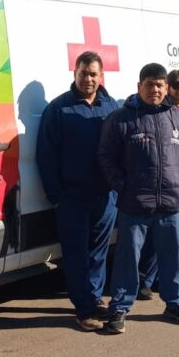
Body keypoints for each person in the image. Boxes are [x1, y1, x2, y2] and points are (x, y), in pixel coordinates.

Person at [98, 63, 179, 334]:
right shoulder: (121, 119)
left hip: (171, 205)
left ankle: (175, 304)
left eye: (160, 85)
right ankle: (119, 308)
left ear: (166, 88)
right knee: (127, 259)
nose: (155, 89)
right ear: (139, 86)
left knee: (172, 258)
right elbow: (105, 156)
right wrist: (122, 186)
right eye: (150, 84)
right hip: (134, 205)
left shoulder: (178, 118)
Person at [36, 51, 120, 331]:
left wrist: (117, 189)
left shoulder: (111, 107)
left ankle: (94, 298)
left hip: (105, 197)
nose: (88, 79)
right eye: (84, 73)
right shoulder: (59, 108)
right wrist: (56, 196)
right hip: (72, 197)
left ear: (101, 76)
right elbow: (46, 155)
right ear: (75, 73)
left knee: (98, 253)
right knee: (75, 255)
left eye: (93, 74)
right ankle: (84, 309)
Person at [138, 69, 179, 301]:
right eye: (176, 84)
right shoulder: (165, 112)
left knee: (175, 239)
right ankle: (144, 280)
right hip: (169, 186)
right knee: (157, 238)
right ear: (168, 88)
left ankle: (159, 278)